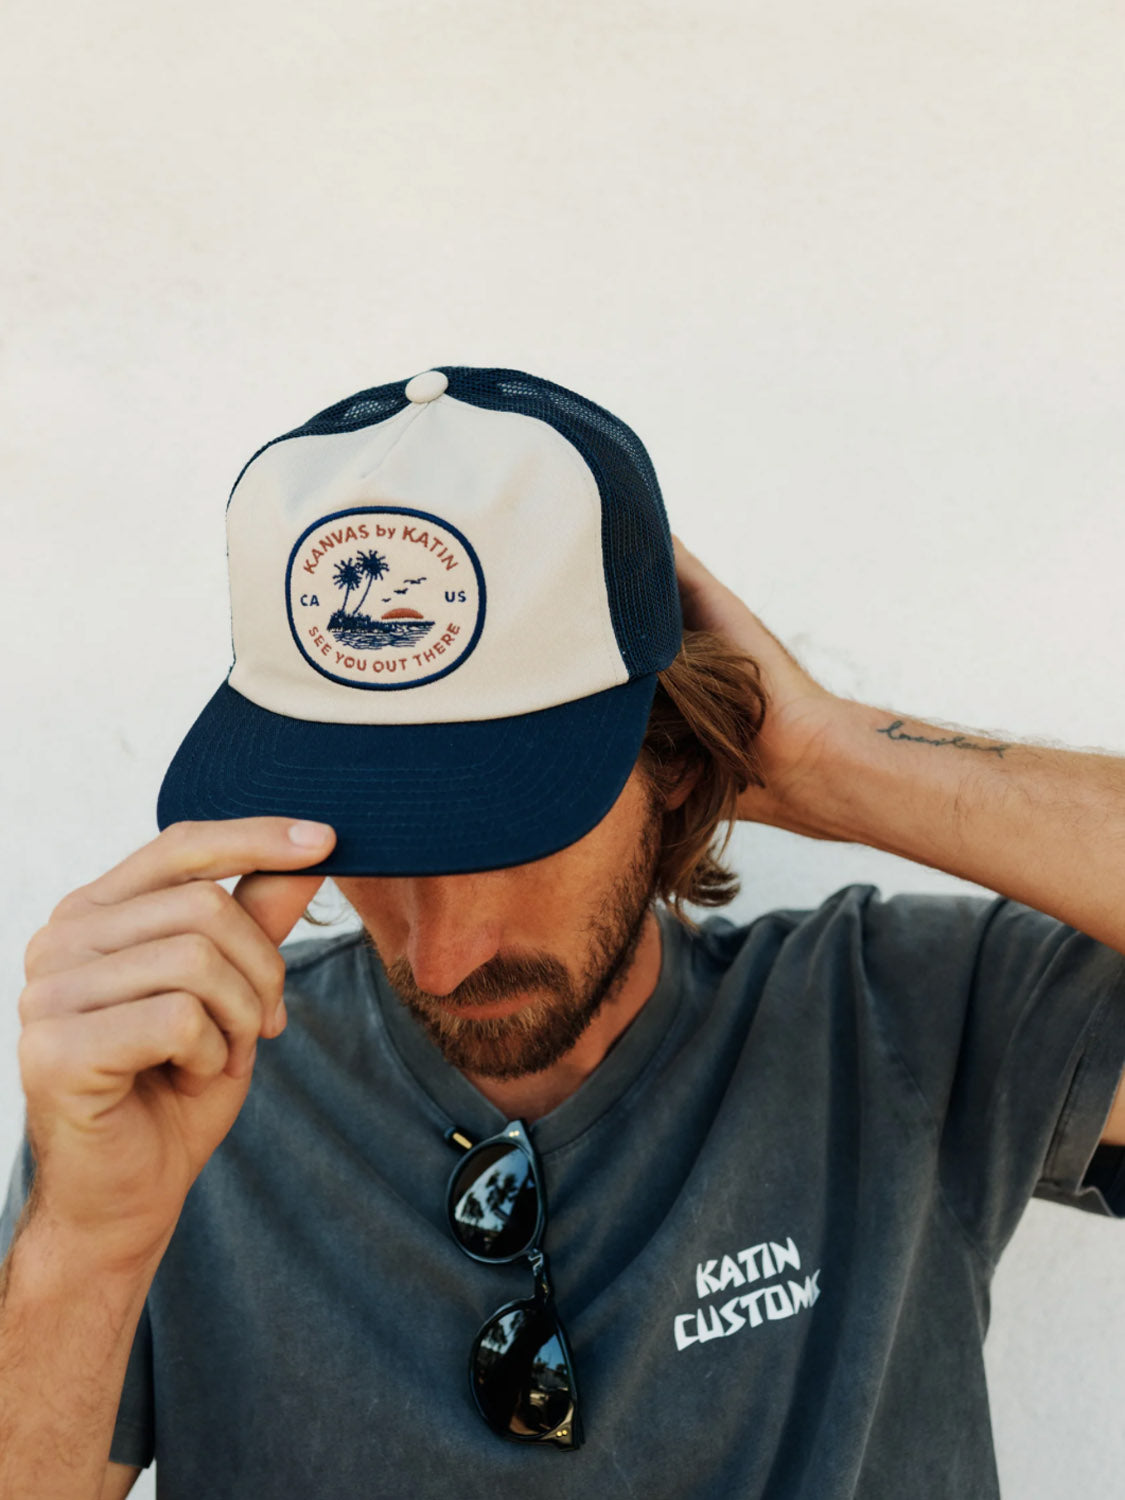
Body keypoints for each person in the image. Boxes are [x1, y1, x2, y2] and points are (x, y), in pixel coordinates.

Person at [1, 364, 1123, 1500]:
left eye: (514, 831)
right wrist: (88, 1248)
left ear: (673, 761)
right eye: (370, 840)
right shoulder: (182, 1081)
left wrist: (837, 759)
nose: (441, 957)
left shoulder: (905, 1016)